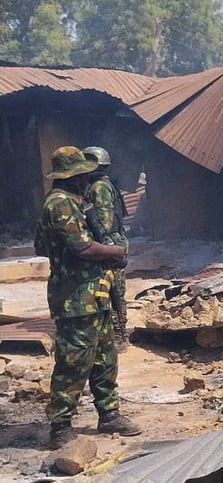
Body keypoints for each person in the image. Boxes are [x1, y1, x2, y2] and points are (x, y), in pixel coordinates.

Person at [34, 147, 141, 449]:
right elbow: (82, 248)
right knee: (74, 362)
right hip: (75, 298)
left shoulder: (74, 201)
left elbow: (43, 245)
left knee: (104, 357)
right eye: (83, 175)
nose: (87, 179)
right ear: (73, 177)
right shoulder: (60, 204)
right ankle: (60, 427)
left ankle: (109, 415)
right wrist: (116, 252)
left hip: (95, 293)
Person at [82, 146, 130, 348]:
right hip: (115, 240)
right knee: (115, 289)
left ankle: (118, 337)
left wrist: (105, 247)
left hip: (109, 242)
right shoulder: (107, 183)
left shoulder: (98, 187)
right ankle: (119, 334)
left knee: (111, 291)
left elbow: (104, 221)